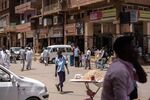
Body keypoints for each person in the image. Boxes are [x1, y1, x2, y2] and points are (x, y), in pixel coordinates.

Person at [101, 36, 147, 100]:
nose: (136, 50)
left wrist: (135, 61)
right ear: (126, 50)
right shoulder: (120, 71)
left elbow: (143, 79)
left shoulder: (126, 66)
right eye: (133, 47)